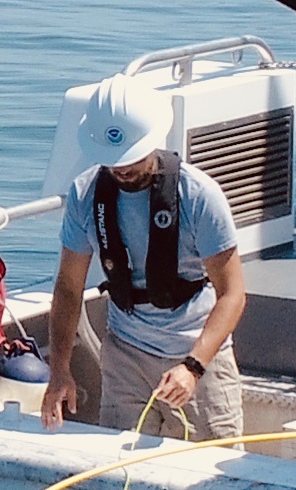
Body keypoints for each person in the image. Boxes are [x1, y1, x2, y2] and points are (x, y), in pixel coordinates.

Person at [38, 79, 248, 440]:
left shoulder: (200, 196)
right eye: (113, 162)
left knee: (210, 472)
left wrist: (193, 366)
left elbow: (232, 294)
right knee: (123, 474)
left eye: (132, 158)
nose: (123, 170)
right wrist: (59, 372)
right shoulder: (85, 195)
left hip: (196, 354)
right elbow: (69, 287)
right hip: (125, 356)